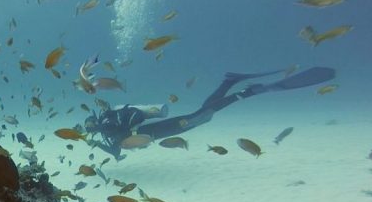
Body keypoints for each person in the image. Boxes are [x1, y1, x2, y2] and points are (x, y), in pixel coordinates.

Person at [84, 67, 336, 159]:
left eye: (91, 127)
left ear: (97, 123)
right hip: (163, 130)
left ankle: (242, 91)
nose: (93, 131)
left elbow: (132, 124)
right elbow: (117, 153)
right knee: (203, 114)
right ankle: (231, 83)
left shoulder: (112, 125)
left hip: (164, 129)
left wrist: (116, 133)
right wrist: (99, 143)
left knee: (202, 115)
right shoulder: (109, 132)